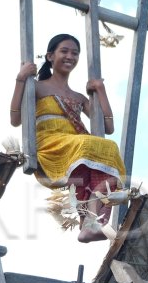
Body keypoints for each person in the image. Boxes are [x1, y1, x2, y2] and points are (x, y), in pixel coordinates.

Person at [9, 33, 126, 242]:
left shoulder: (78, 97)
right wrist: (20, 79)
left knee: (109, 150)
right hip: (51, 146)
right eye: (64, 51)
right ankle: (91, 221)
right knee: (91, 145)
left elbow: (108, 127)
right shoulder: (36, 86)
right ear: (50, 56)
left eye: (75, 53)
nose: (70, 56)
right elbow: (15, 119)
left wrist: (100, 89)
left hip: (76, 147)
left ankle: (91, 224)